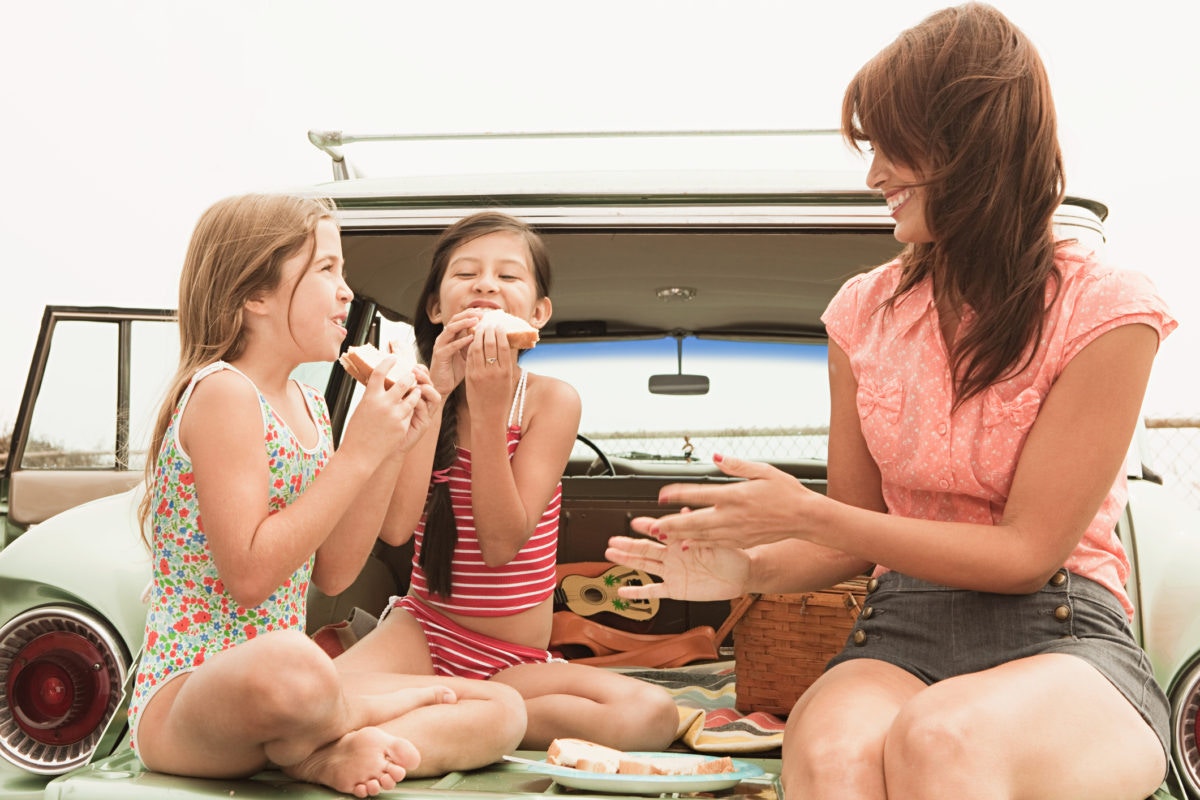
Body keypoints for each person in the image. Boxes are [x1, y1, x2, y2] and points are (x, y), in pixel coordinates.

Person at [606, 5, 1176, 799]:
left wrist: (805, 514)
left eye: (891, 146)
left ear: (970, 145)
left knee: (942, 740)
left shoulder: (1107, 308)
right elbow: (850, 540)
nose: (874, 176)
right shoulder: (861, 314)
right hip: (899, 629)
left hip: (1062, 631)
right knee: (839, 758)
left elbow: (1025, 556)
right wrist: (745, 570)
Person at [129, 194, 527, 799]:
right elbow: (251, 577)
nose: (346, 291)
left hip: (302, 700)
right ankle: (337, 732)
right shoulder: (222, 394)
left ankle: (320, 749)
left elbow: (336, 572)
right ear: (255, 296)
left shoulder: (312, 405)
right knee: (293, 660)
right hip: (192, 697)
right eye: (326, 271)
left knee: (501, 710)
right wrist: (358, 453)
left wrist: (394, 442)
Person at [334, 210, 680, 751]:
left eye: (508, 276)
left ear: (538, 314)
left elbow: (500, 546)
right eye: (466, 273)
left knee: (651, 715)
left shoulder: (552, 400)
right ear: (436, 306)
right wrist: (439, 392)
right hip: (422, 633)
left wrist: (491, 415)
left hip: (512, 664)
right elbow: (397, 531)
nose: (486, 284)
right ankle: (449, 714)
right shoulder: (414, 389)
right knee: (316, 701)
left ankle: (458, 711)